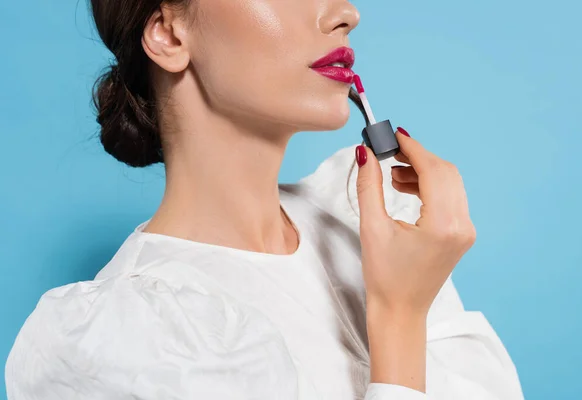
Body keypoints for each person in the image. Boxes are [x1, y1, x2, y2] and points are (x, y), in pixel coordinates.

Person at [5, 0, 524, 399]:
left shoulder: (373, 222)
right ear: (167, 33)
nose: (346, 14)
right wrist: (399, 320)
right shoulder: (123, 341)